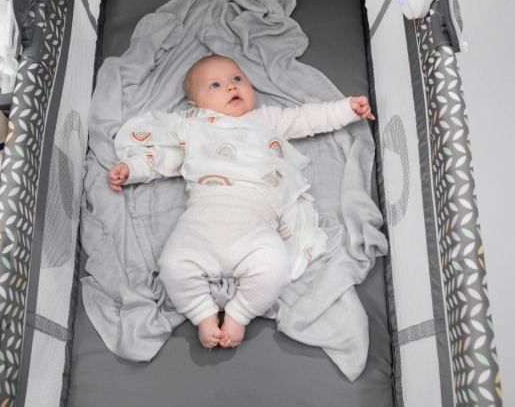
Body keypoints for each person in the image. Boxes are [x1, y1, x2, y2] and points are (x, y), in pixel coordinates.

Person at [107, 55, 374, 349]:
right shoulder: (194, 129)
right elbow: (162, 159)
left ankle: (239, 314)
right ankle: (202, 314)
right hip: (200, 225)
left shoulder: (264, 120)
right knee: (172, 264)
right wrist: (131, 169)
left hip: (257, 226)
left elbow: (304, 119)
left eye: (237, 79)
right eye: (215, 85)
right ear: (195, 104)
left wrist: (346, 109)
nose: (231, 87)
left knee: (275, 266)